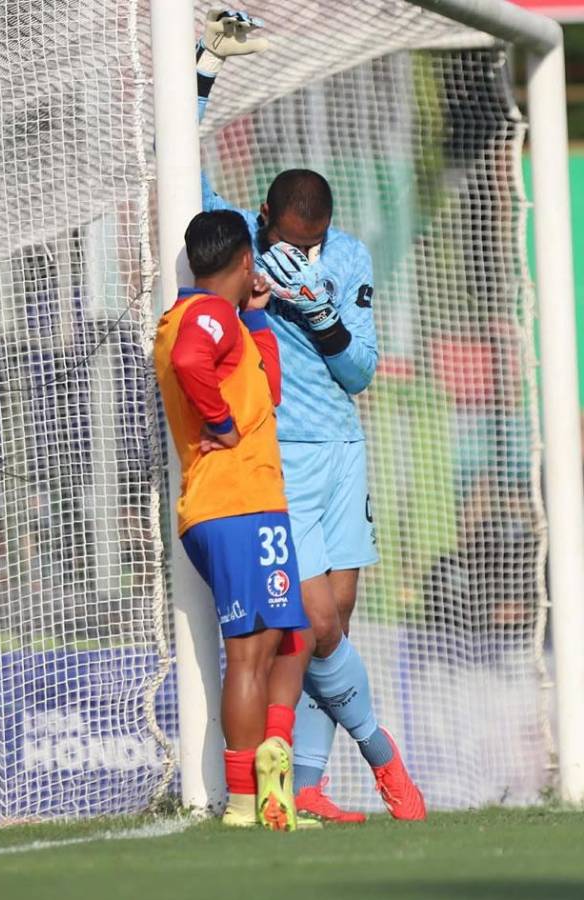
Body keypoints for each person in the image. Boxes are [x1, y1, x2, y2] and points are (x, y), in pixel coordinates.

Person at [194, 9, 425, 821]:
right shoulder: (239, 241)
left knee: (336, 622)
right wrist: (203, 73)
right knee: (315, 622)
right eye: (292, 240)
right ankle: (382, 754)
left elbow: (359, 370)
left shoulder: (348, 256)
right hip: (279, 455)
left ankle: (312, 785)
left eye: (313, 241)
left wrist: (320, 311)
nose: (302, 251)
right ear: (265, 217)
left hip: (342, 451)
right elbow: (177, 161)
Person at [155, 210, 313, 831]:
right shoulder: (207, 317)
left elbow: (267, 390)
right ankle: (249, 802)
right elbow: (192, 360)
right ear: (246, 261)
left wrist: (258, 316)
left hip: (229, 506)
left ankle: (271, 784)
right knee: (249, 655)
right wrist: (220, 424)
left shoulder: (213, 318)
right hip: (240, 502)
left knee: (288, 639)